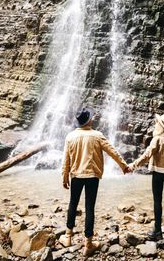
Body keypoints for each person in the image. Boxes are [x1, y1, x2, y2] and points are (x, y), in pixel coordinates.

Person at [59, 106, 130, 256]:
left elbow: (66, 160)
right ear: (88, 120)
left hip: (76, 176)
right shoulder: (97, 135)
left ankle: (67, 236)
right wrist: (123, 166)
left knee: (73, 204)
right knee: (89, 207)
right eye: (91, 117)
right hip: (92, 176)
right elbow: (112, 151)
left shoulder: (70, 136)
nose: (93, 119)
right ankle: (88, 244)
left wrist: (65, 177)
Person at [129, 113, 164, 242]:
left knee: (157, 201)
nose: (156, 125)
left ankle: (157, 231)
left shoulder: (157, 139)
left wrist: (133, 165)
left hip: (158, 174)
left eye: (158, 123)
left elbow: (147, 155)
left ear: (161, 126)